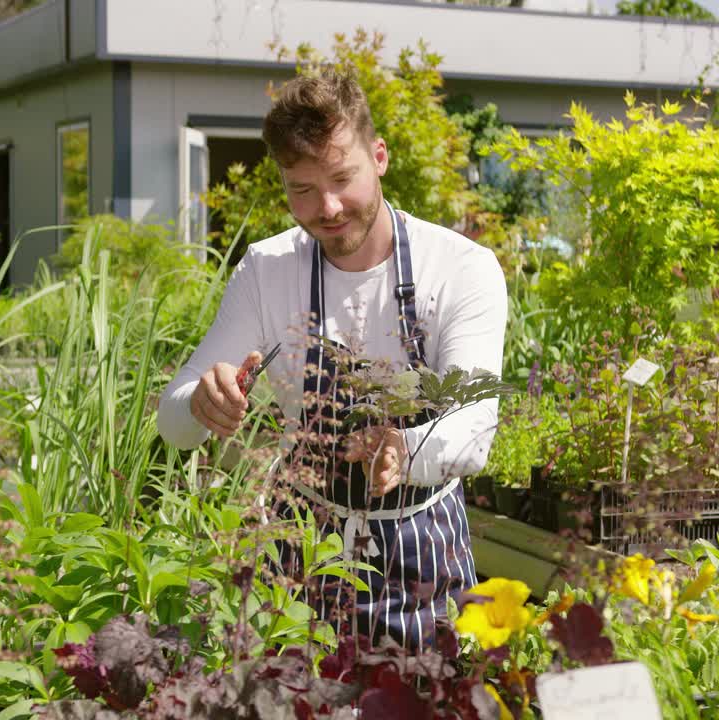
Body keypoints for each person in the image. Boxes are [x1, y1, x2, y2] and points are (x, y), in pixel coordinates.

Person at [156, 69, 507, 649]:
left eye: (343, 177)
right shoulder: (268, 272)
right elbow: (173, 424)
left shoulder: (461, 268)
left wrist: (407, 450)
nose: (328, 207)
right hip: (302, 557)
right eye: (302, 189)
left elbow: (476, 425)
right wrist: (201, 401)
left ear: (380, 157)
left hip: (424, 550)